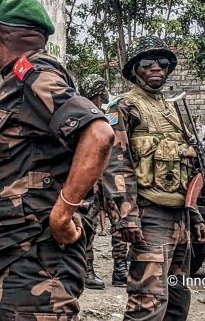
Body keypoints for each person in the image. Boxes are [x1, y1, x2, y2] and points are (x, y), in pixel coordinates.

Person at [0, 0, 114, 320]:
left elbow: (99, 134)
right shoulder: (22, 79)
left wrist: (63, 213)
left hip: (35, 260)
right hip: (7, 258)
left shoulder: (34, 77)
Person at [102, 36, 205, 321]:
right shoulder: (123, 107)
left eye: (162, 63)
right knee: (148, 304)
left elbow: (189, 168)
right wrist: (126, 216)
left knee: (177, 302)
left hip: (180, 218)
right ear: (135, 69)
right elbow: (115, 164)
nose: (156, 68)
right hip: (149, 216)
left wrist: (196, 216)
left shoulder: (175, 109)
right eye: (147, 63)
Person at [79, 74, 129, 289]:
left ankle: (109, 271)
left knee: (94, 225)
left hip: (95, 178)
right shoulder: (104, 116)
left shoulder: (82, 114)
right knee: (104, 224)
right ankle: (110, 270)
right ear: (101, 92)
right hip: (100, 179)